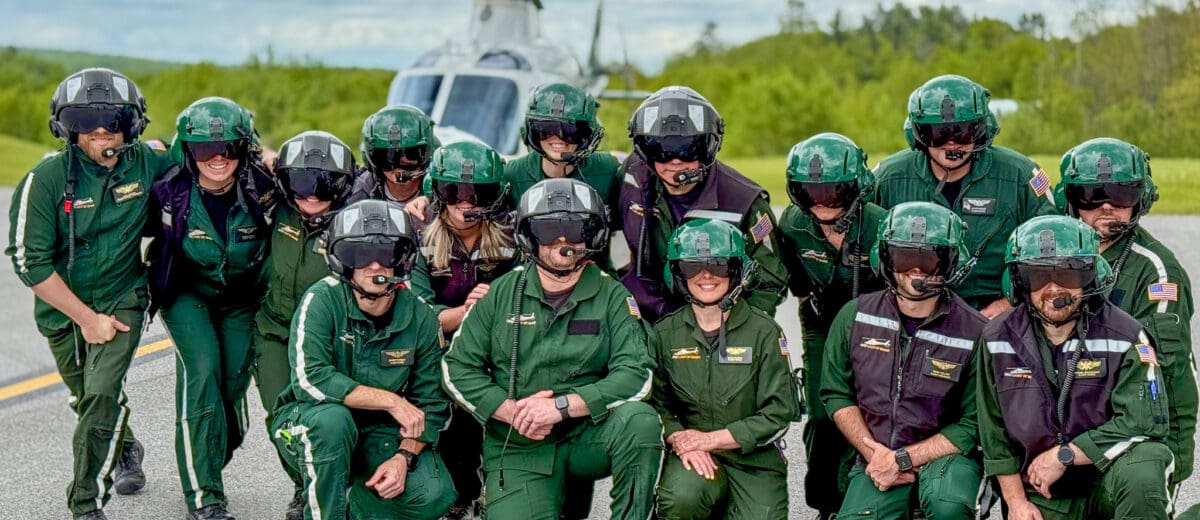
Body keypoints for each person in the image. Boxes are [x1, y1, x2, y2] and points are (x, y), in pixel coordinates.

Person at [441, 178, 663, 519]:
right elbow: (456, 368)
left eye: (574, 229)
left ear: (591, 235)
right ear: (530, 235)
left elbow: (637, 375)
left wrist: (562, 407)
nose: (562, 241)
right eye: (548, 230)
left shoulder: (613, 296)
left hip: (586, 437)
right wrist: (510, 411)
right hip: (519, 443)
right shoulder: (500, 293)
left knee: (640, 423)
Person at [5, 67, 172, 520]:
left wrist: (268, 157)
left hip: (123, 297)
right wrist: (84, 318)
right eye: (86, 123)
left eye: (112, 122)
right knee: (88, 399)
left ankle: (85, 504)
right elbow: (29, 262)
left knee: (100, 393)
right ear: (67, 128)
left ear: (130, 125)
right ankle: (126, 446)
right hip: (63, 311)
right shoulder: (46, 179)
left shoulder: (146, 162)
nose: (101, 133)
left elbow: (200, 155)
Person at [270, 199, 456, 519]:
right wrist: (391, 401)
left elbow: (432, 405)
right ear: (343, 260)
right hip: (310, 421)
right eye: (360, 254)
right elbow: (309, 378)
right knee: (332, 422)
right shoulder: (321, 299)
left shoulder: (422, 318)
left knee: (434, 494)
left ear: (402, 260)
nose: (375, 266)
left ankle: (350, 504)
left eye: (387, 254)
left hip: (381, 432)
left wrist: (403, 458)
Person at [977, 215, 1173, 519]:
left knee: (1146, 461)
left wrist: (1065, 455)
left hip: (1109, 481)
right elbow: (994, 435)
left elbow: (1143, 422)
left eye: (1068, 274)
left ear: (1090, 276)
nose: (1053, 289)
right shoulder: (996, 339)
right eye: (1038, 277)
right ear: (1019, 282)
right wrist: (1016, 503)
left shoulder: (1126, 336)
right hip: (1043, 493)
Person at [147, 97, 275, 520]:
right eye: (204, 149)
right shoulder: (169, 189)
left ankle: (207, 454)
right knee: (202, 372)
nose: (218, 158)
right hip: (188, 295)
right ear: (188, 150)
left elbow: (332, 191)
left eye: (229, 148)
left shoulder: (265, 185)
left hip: (243, 299)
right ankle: (204, 498)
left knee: (232, 387)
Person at [821, 201, 986, 519]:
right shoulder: (854, 316)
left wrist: (905, 459)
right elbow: (835, 394)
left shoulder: (976, 331)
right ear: (885, 258)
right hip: (878, 453)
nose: (916, 270)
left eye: (930, 259)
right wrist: (875, 453)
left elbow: (973, 423)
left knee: (947, 507)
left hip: (947, 457)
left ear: (951, 262)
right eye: (904, 256)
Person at [1056, 137, 1196, 494]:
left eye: (1121, 195)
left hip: (1135, 431)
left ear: (1142, 199)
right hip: (1065, 429)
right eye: (1091, 194)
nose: (1106, 206)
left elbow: (1164, 372)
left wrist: (1175, 456)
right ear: (1070, 200)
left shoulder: (1157, 273)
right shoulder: (1049, 256)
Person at [872, 74, 1057, 318]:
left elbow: (1055, 253)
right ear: (919, 134)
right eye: (939, 134)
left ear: (981, 130)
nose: (952, 144)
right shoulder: (887, 176)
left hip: (998, 315)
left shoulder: (1022, 175)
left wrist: (1007, 306)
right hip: (912, 312)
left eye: (963, 132)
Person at [651, 219, 801, 518]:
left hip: (752, 459)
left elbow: (779, 412)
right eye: (693, 266)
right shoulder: (664, 334)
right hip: (692, 453)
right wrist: (679, 438)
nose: (706, 275)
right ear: (678, 272)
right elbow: (656, 403)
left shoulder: (764, 332)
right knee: (682, 498)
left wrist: (710, 439)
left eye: (719, 265)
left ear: (737, 271)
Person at [775, 132, 886, 517]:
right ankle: (825, 502)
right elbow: (798, 287)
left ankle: (864, 494)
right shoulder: (792, 225)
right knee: (824, 415)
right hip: (821, 322)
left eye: (834, 192)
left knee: (869, 410)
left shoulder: (880, 226)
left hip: (875, 326)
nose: (822, 203)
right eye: (810, 192)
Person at [410, 140, 518, 518]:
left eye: (478, 193)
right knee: (452, 408)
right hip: (438, 343)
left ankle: (503, 488)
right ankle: (459, 491)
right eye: (453, 191)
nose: (465, 203)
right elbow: (419, 315)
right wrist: (467, 310)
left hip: (501, 341)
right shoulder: (418, 236)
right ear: (437, 192)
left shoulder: (512, 235)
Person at [251, 130, 356, 519]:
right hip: (274, 331)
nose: (312, 195)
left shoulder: (355, 221)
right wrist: (262, 153)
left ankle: (336, 488)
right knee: (280, 417)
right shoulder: (273, 206)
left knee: (329, 418)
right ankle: (303, 487)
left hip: (327, 340)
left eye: (324, 185)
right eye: (301, 183)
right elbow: (228, 153)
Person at [619, 85, 787, 322]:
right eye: (662, 150)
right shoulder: (632, 175)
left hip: (711, 321)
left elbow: (770, 282)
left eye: (688, 150)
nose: (675, 161)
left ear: (707, 148)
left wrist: (737, 328)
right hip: (640, 313)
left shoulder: (743, 201)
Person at [349, 104, 438, 206]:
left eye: (411, 155)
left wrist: (429, 202)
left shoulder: (441, 189)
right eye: (387, 157)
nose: (398, 168)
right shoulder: (361, 190)